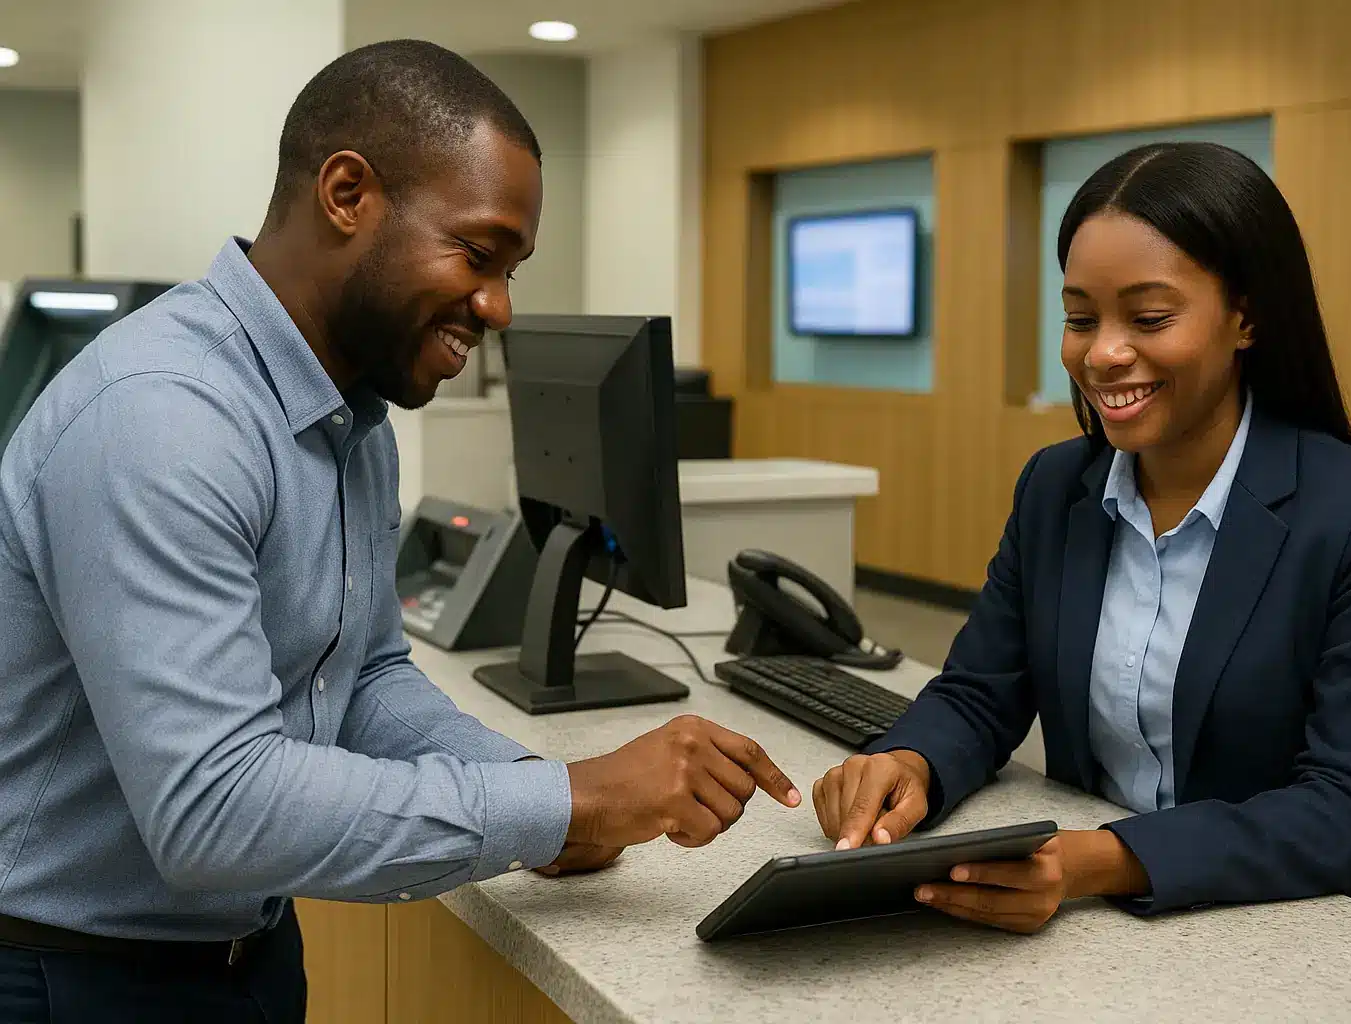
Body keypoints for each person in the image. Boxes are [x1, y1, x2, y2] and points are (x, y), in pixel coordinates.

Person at [0, 40, 798, 1022]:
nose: (499, 306)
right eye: (477, 253)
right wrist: (570, 800)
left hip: (241, 956)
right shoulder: (164, 417)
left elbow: (365, 678)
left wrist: (539, 790)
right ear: (347, 193)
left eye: (512, 269)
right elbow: (213, 808)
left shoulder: (353, 417)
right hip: (70, 976)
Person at [812, 141, 1351, 944]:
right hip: (1130, 936)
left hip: (1325, 933)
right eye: (1081, 317)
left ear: (1247, 315)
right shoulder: (1057, 488)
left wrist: (1102, 860)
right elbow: (981, 691)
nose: (1103, 352)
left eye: (1150, 317)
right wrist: (909, 763)